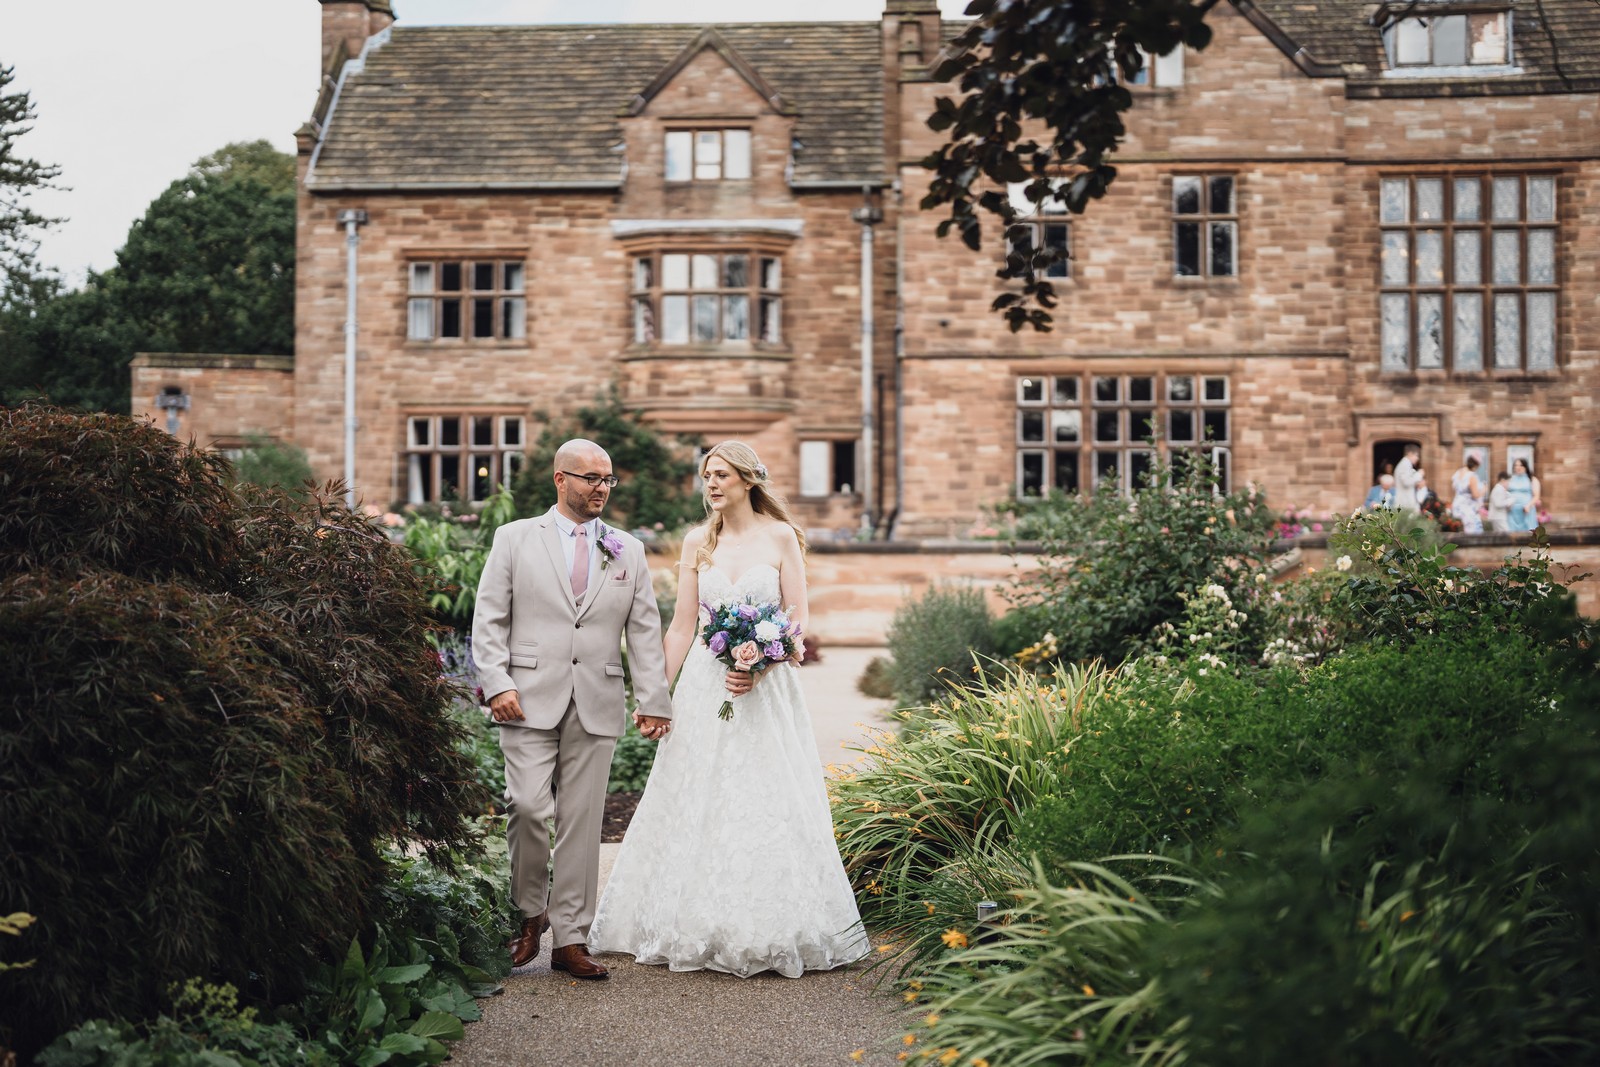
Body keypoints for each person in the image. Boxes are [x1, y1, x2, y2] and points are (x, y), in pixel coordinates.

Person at [589, 441, 870, 977]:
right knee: (695, 791)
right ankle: (689, 921)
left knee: (766, 795)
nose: (711, 485)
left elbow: (796, 621)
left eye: (721, 475)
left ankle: (774, 924)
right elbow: (681, 626)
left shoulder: (781, 536)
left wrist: (761, 662)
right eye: (706, 476)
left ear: (748, 479)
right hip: (703, 687)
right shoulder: (698, 541)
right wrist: (654, 694)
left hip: (766, 694)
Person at [472, 439, 673, 981]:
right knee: (528, 809)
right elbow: (489, 616)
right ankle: (530, 915)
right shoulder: (514, 538)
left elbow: (645, 631)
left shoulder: (627, 549)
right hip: (526, 698)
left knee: (583, 825)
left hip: (598, 699)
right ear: (560, 480)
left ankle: (572, 938)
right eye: (589, 478)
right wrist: (496, 683)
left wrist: (654, 700)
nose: (600, 488)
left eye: (607, 479)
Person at [1449, 455, 1484, 534]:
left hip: (1457, 505)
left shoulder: (1457, 474)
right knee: (1472, 533)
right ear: (1475, 465)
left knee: (1459, 530)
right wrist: (1483, 490)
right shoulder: (1471, 476)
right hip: (1468, 508)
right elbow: (1475, 494)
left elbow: (1454, 489)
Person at [1506, 457, 1541, 532]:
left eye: (1520, 465)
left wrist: (1528, 505)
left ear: (1525, 467)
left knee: (1528, 532)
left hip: (1526, 511)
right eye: (1516, 465)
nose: (1518, 467)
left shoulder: (1532, 479)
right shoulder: (1510, 479)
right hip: (1512, 512)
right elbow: (1504, 493)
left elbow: (1536, 496)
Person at [1393, 445, 1422, 512]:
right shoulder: (1405, 463)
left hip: (1407, 502)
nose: (1417, 458)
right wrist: (1418, 475)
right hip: (1405, 503)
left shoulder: (1406, 464)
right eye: (1416, 455)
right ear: (1410, 453)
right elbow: (1406, 482)